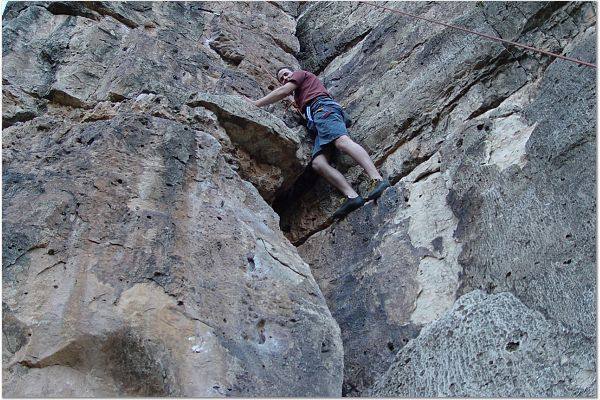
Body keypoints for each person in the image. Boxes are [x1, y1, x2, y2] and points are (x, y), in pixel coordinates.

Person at [248, 67, 390, 220]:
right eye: (281, 79)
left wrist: (255, 103)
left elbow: (282, 91)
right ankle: (352, 196)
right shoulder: (300, 95)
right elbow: (300, 109)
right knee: (318, 163)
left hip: (323, 109)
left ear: (293, 73)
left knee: (342, 142)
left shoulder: (301, 74)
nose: (285, 79)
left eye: (286, 74)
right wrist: (295, 102)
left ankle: (377, 179)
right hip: (316, 122)